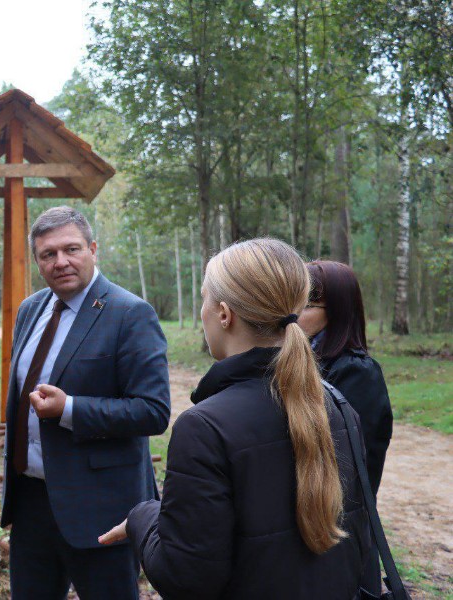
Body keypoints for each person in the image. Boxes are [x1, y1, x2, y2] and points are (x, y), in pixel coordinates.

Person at [100, 238, 369, 599]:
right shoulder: (338, 405)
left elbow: (184, 579)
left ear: (224, 314)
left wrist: (142, 516)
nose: (202, 312)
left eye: (204, 299)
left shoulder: (204, 428)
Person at [1, 206, 170, 599]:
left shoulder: (130, 313)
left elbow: (154, 410)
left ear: (93, 249)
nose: (60, 261)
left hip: (101, 507)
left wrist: (70, 410)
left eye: (71, 249)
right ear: (37, 261)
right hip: (31, 502)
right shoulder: (29, 310)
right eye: (48, 254)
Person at [301, 260, 393, 595]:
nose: (293, 313)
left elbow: (349, 472)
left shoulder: (357, 372)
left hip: (336, 538)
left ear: (337, 311)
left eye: (308, 304)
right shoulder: (302, 362)